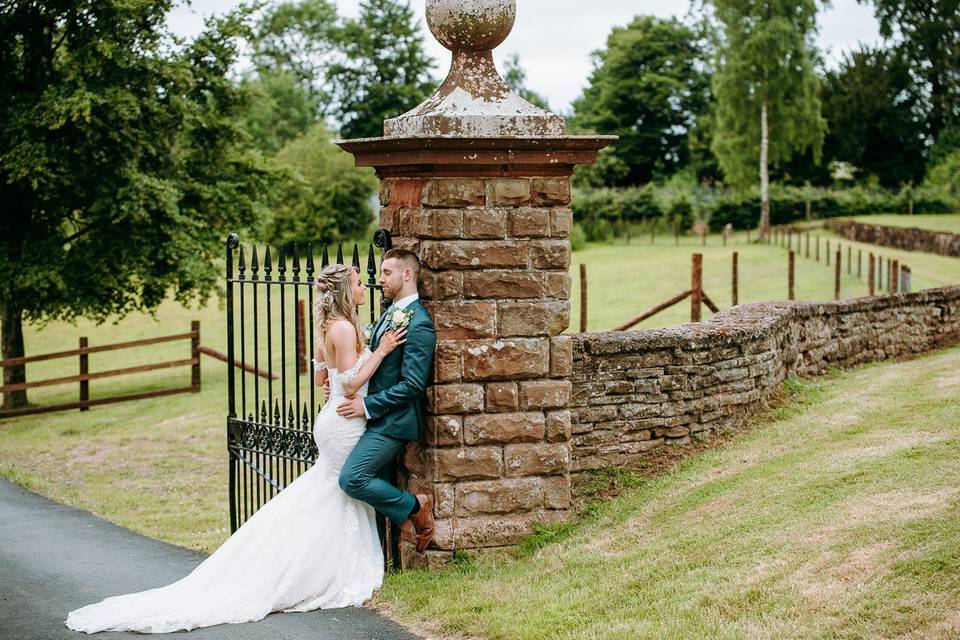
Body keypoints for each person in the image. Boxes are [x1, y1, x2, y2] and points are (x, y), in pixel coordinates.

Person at [65, 259, 423, 634]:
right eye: (358, 282)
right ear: (346, 291)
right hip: (345, 421)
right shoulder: (345, 329)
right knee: (339, 489)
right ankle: (314, 572)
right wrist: (380, 352)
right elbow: (350, 384)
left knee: (326, 494)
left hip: (334, 419)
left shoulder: (328, 328)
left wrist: (332, 384)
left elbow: (322, 374)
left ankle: (303, 564)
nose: (366, 286)